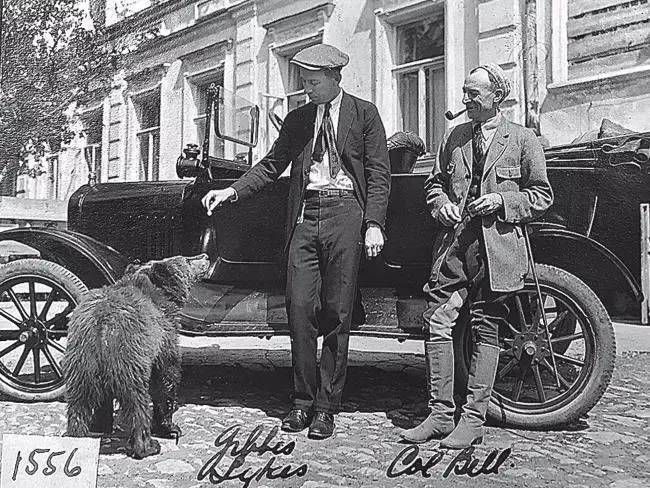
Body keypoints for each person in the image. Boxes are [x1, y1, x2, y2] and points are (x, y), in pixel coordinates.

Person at [202, 44, 391, 440]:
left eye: (313, 82)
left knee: (338, 312)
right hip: (306, 216)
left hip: (347, 214)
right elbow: (271, 165)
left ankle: (326, 408)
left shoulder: (364, 114)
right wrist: (232, 192)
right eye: (304, 81)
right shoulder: (298, 119)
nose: (306, 89)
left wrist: (373, 223)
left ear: (335, 78)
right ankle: (302, 402)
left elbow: (378, 174)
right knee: (300, 308)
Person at [399, 64, 553, 448]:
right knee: (437, 321)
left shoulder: (523, 139)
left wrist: (502, 200)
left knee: (486, 329)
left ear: (496, 96)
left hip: (496, 251)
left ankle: (473, 421)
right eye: (466, 92)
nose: (466, 99)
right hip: (454, 248)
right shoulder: (454, 137)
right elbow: (434, 184)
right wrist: (441, 206)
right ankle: (439, 416)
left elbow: (541, 196)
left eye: (473, 93)